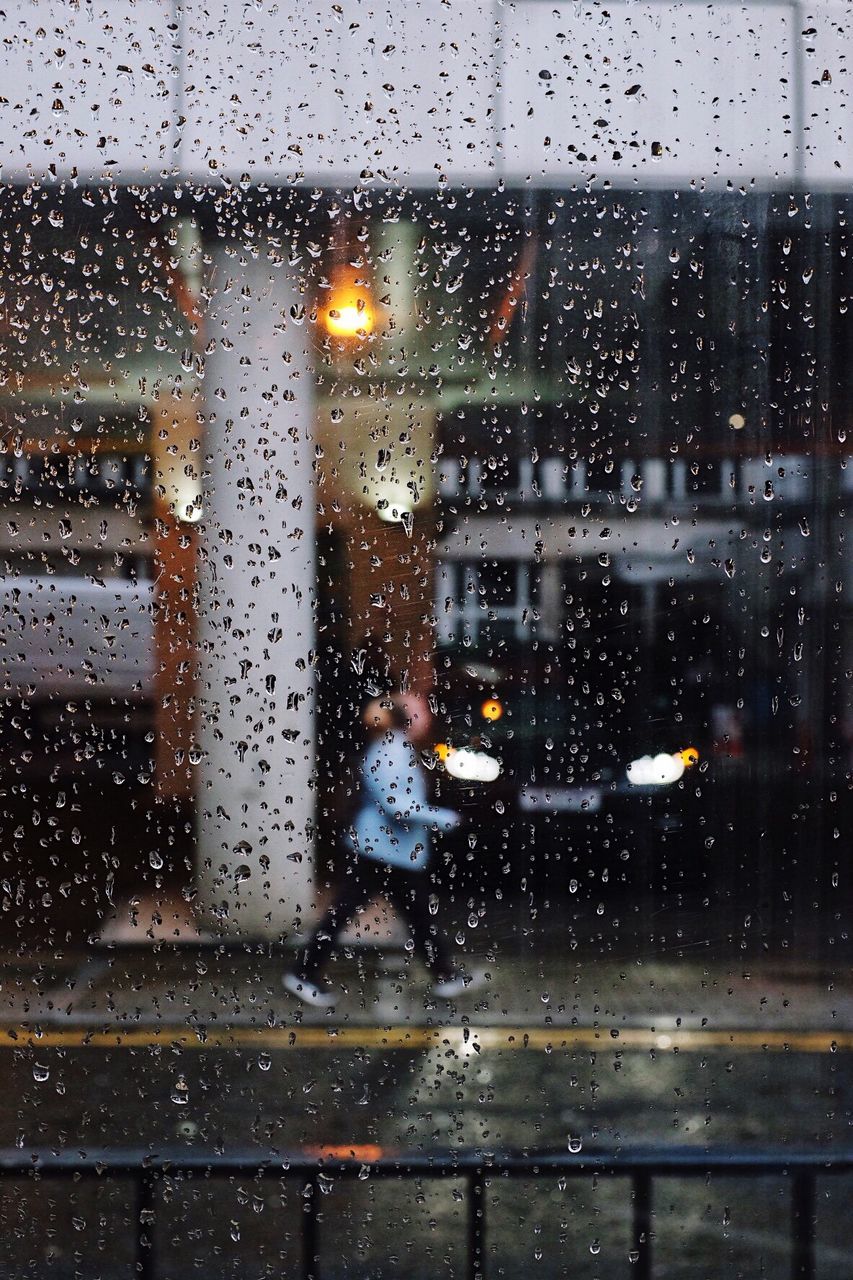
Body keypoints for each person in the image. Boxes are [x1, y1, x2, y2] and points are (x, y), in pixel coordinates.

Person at [283, 694, 479, 1006]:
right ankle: (302, 974)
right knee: (347, 913)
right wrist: (444, 818)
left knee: (415, 917)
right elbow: (395, 804)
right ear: (408, 719)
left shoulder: (396, 748)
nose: (428, 717)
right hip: (379, 850)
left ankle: (445, 976)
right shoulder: (392, 751)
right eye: (422, 711)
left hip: (390, 850)